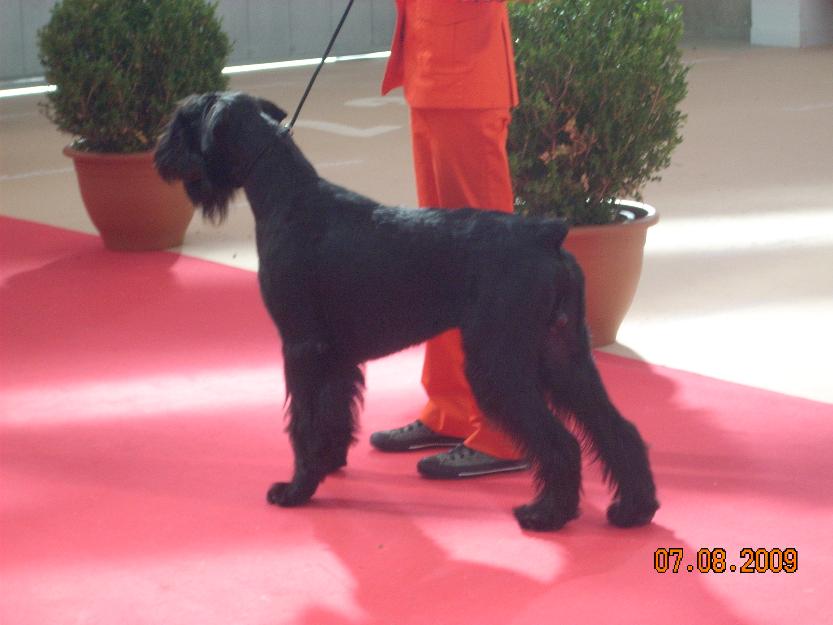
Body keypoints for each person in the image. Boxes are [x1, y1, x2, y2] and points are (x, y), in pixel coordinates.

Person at [370, 0, 531, 478]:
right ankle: (452, 406)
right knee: (440, 262)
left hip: (467, 78)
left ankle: (508, 428)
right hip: (431, 74)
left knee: (486, 267)